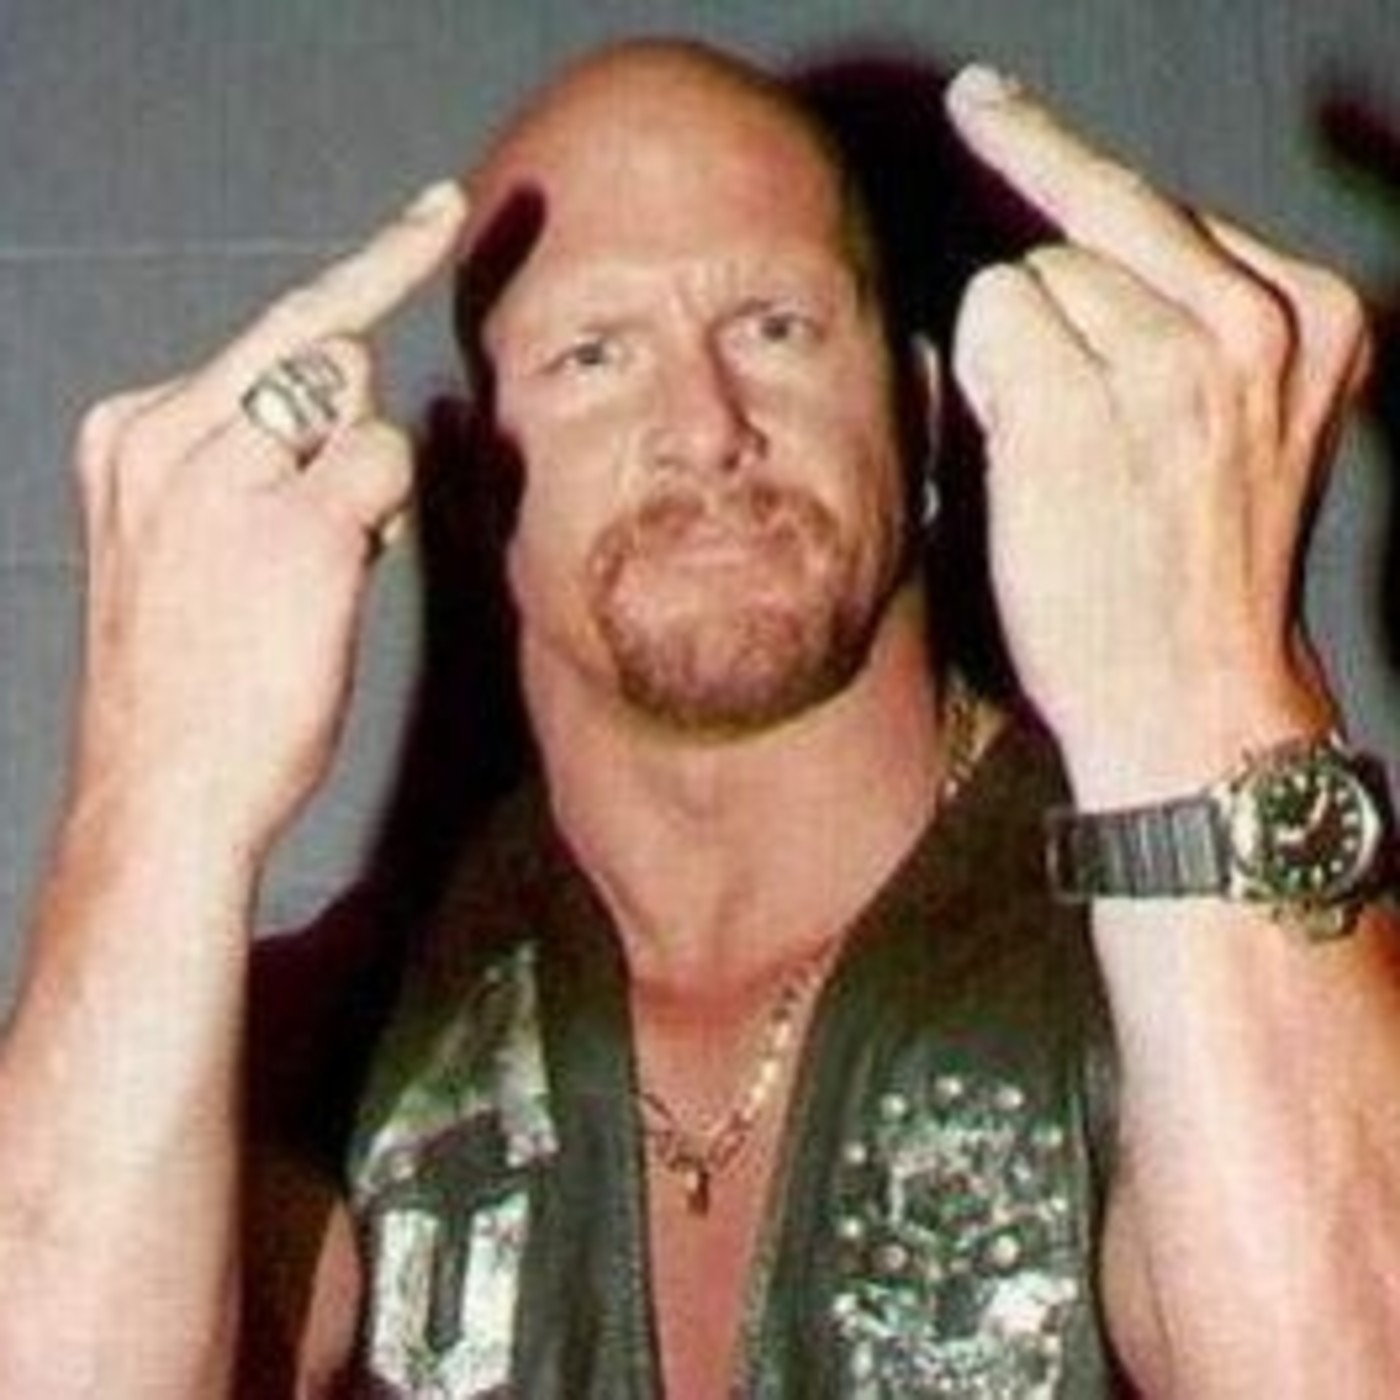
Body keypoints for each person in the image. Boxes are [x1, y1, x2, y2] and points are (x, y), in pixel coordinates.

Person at [1, 35, 1398, 1399]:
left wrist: (1208, 693)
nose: (706, 425)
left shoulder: (1209, 977)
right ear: (481, 486)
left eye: (775, 327)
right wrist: (156, 802)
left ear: (920, 416)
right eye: (594, 354)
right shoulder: (334, 1041)